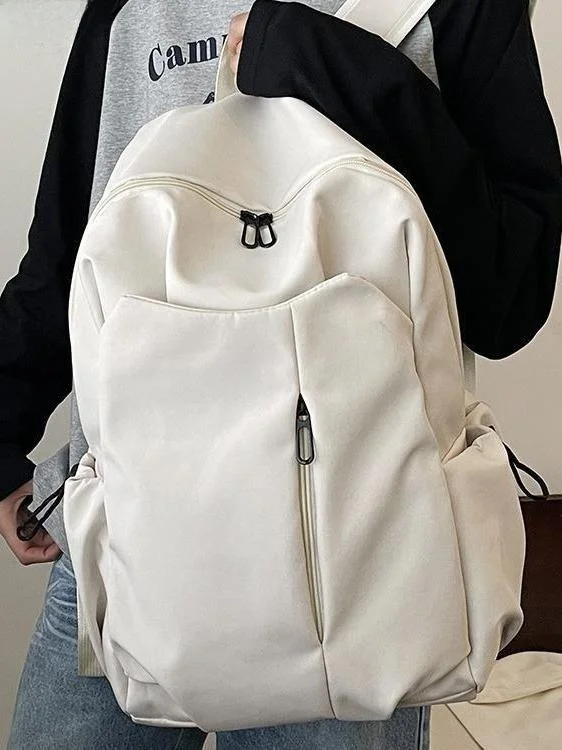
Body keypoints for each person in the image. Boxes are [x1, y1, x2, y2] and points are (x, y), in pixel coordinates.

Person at [2, 0, 561, 747]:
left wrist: (324, 64)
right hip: (127, 530)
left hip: (367, 562)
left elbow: (511, 298)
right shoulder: (129, 11)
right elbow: (64, 259)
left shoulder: (457, 11)